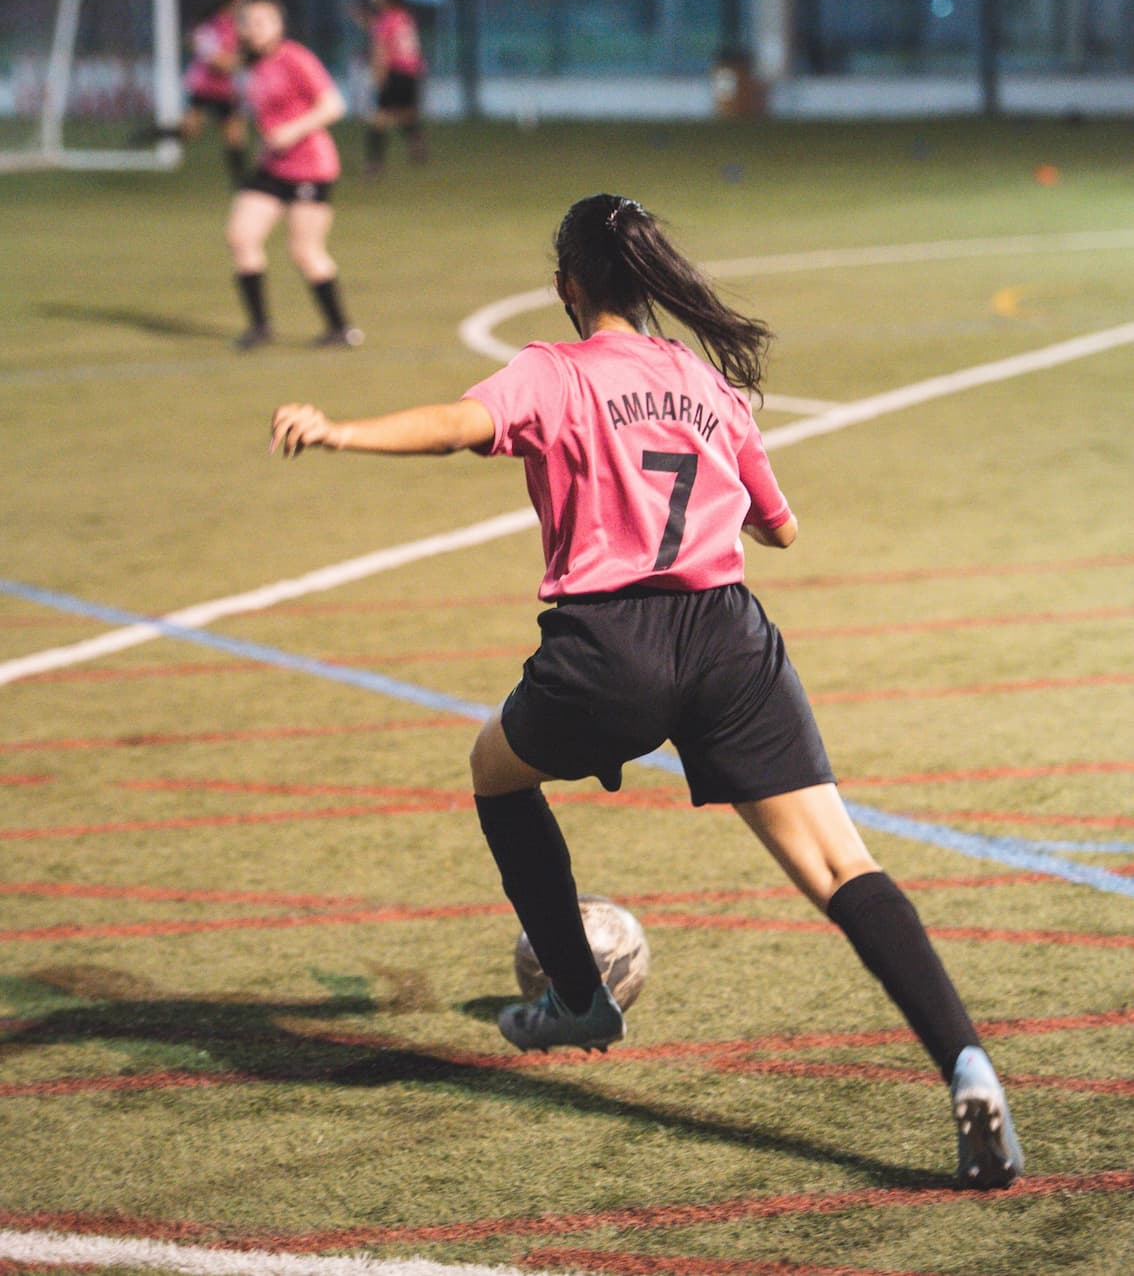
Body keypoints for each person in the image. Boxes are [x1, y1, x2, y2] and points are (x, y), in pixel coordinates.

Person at [269, 193, 1024, 1191]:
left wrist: (338, 430)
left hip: (607, 649)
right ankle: (968, 1063)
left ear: (567, 288)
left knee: (495, 772)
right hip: (727, 640)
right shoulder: (704, 381)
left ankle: (579, 999)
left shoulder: (553, 369)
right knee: (842, 864)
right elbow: (780, 530)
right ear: (650, 280)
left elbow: (462, 424)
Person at [228, 0, 362, 350]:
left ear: (278, 25)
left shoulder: (296, 58)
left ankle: (341, 328)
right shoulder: (250, 66)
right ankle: (260, 326)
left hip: (311, 166)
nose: (252, 29)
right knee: (241, 237)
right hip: (273, 165)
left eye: (261, 22)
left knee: (305, 250)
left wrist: (292, 131)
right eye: (247, 22)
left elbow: (333, 105)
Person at [181, 0, 249, 188]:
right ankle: (147, 137)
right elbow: (217, 62)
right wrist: (241, 61)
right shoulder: (209, 26)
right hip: (204, 87)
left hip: (224, 90)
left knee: (235, 135)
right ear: (232, 1)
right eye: (241, 0)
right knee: (189, 131)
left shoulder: (237, 26)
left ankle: (242, 183)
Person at [357, 0, 427, 176]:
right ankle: (416, 142)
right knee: (406, 113)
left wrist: (379, 73)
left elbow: (381, 47)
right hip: (412, 70)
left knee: (379, 118)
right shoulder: (404, 16)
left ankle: (374, 164)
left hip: (395, 71)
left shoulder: (385, 19)